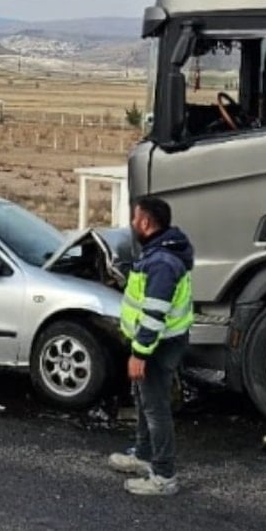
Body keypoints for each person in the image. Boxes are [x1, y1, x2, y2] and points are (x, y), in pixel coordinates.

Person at [107, 195, 194, 496]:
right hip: (157, 342)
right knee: (145, 400)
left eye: (134, 218)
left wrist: (140, 353)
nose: (132, 223)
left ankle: (164, 475)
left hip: (158, 345)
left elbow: (155, 314)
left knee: (155, 407)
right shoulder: (158, 253)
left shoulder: (162, 262)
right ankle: (143, 455)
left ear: (145, 223)